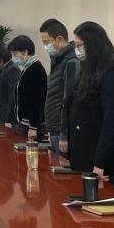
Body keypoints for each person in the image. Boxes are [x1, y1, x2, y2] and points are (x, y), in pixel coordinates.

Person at [61, 22, 114, 177]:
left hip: (101, 160)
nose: (76, 50)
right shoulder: (88, 67)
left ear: (93, 44)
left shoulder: (112, 73)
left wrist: (99, 163)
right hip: (83, 153)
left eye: (80, 45)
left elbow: (112, 122)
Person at [39, 18, 80, 153]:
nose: (45, 46)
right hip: (54, 128)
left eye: (46, 42)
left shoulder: (71, 61)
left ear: (59, 39)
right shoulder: (58, 59)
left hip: (61, 131)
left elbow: (68, 101)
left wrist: (63, 134)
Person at [8, 35, 47, 137]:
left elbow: (37, 101)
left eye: (15, 54)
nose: (13, 58)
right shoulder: (27, 68)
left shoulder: (36, 70)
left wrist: (33, 127)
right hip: (24, 123)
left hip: (31, 126)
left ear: (25, 52)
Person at [0, 43, 18, 126]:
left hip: (7, 117)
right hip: (0, 115)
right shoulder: (3, 69)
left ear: (0, 57)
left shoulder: (12, 70)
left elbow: (12, 96)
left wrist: (8, 119)